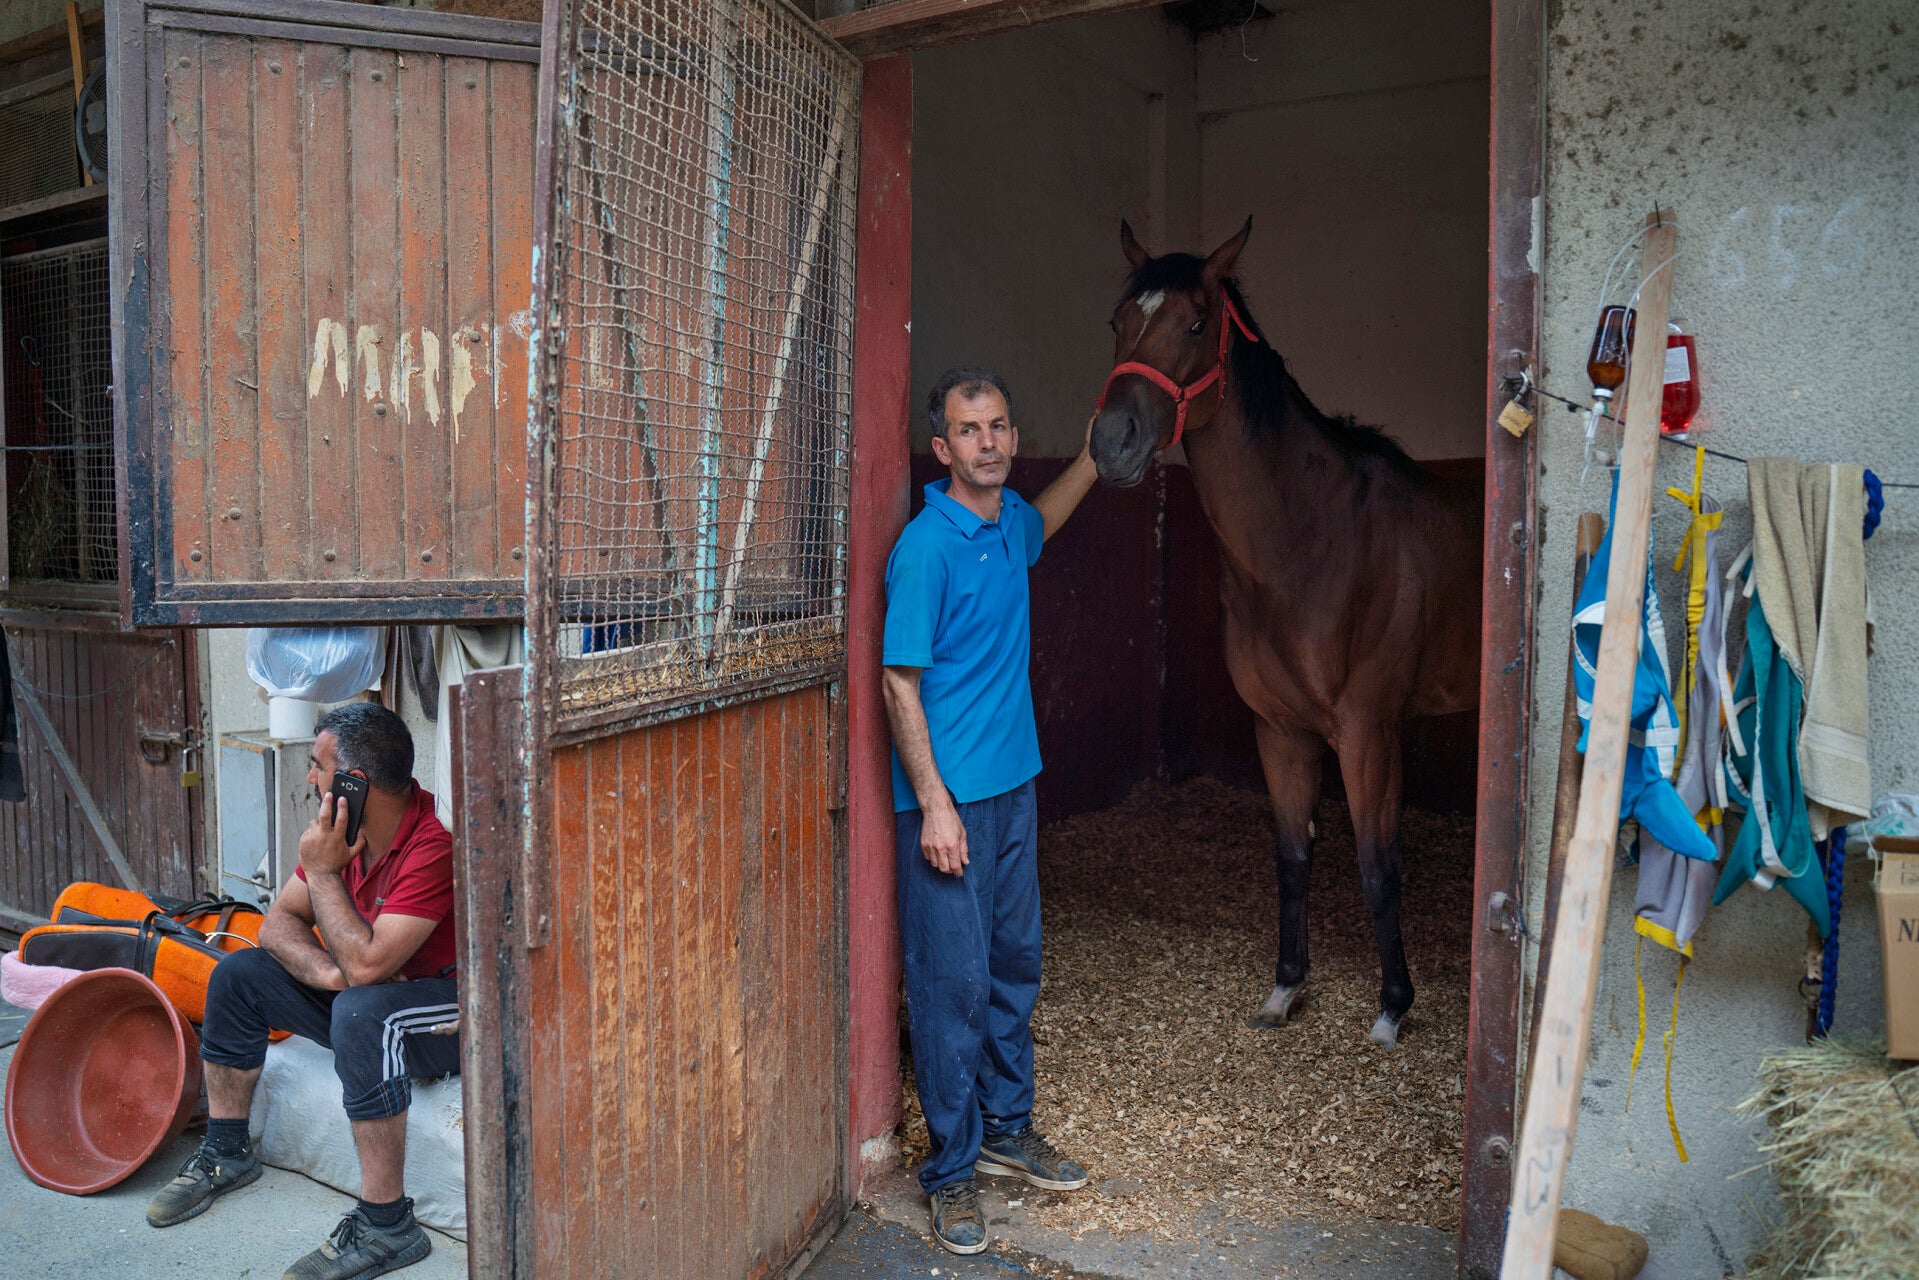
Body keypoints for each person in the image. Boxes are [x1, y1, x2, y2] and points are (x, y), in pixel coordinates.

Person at [882, 366, 1100, 1255]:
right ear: (943, 448)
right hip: (950, 803)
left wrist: (1090, 459)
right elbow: (899, 679)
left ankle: (1009, 1129)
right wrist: (933, 804)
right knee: (952, 987)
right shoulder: (924, 547)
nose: (990, 443)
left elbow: (1045, 519)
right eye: (971, 430)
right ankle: (950, 1172)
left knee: (1014, 965)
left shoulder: (1009, 524)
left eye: (1001, 427)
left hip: (1015, 786)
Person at [146, 701, 459, 1280]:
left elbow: (368, 969)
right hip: (368, 989)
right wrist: (333, 975)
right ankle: (228, 1149)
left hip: (444, 1011)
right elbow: (277, 926)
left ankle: (387, 1227)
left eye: (317, 766)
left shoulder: (433, 843)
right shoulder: (340, 832)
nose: (310, 778)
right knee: (239, 975)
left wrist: (321, 878)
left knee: (365, 1015)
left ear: (354, 781)